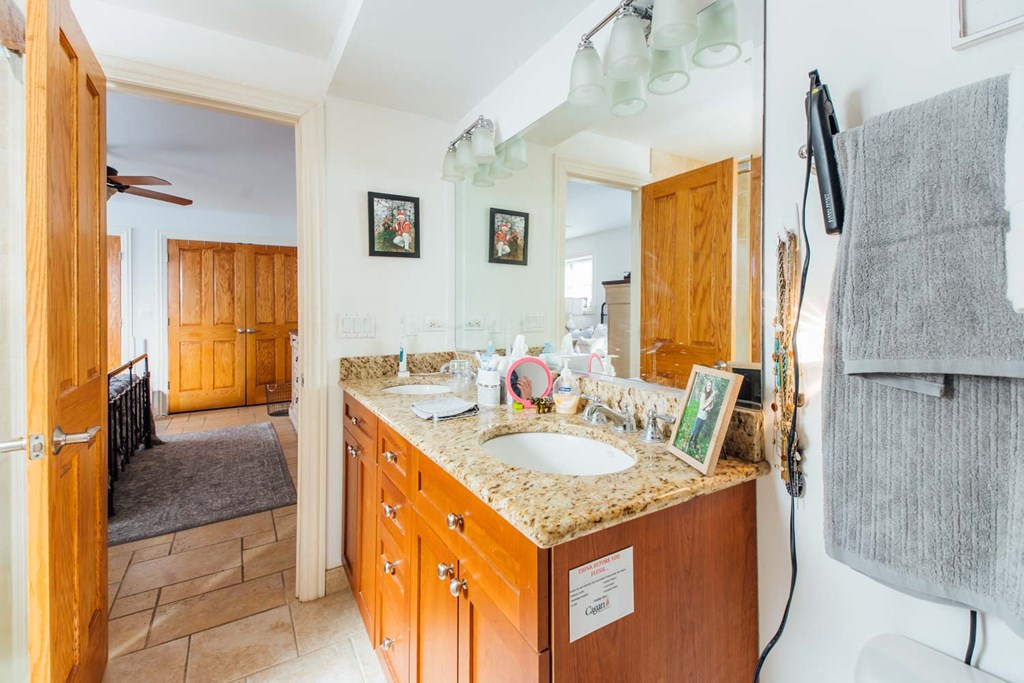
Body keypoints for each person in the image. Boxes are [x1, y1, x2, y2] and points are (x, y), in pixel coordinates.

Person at [686, 379, 717, 452]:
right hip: (700, 416)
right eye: (708, 385)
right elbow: (703, 407)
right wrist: (709, 401)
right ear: (706, 386)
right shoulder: (703, 395)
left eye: (710, 386)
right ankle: (688, 443)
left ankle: (694, 443)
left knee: (699, 431)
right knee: (694, 430)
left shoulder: (711, 396)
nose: (709, 387)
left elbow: (711, 406)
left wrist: (710, 405)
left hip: (704, 417)